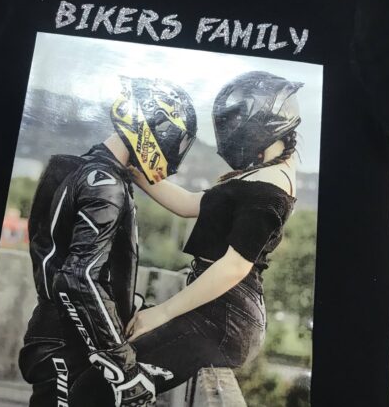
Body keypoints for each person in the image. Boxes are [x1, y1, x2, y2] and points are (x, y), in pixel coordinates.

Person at [68, 71, 304, 405]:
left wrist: (162, 313)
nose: (231, 129)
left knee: (97, 387)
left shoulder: (271, 187)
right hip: (216, 312)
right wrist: (135, 171)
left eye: (238, 120)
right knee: (101, 378)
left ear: (264, 120)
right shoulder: (262, 176)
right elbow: (188, 203)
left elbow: (234, 267)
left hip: (224, 321)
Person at [18, 76, 197, 407]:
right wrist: (124, 368)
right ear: (154, 129)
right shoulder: (105, 183)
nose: (174, 152)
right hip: (68, 343)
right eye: (175, 139)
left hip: (61, 334)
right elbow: (80, 278)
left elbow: (73, 266)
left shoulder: (78, 169)